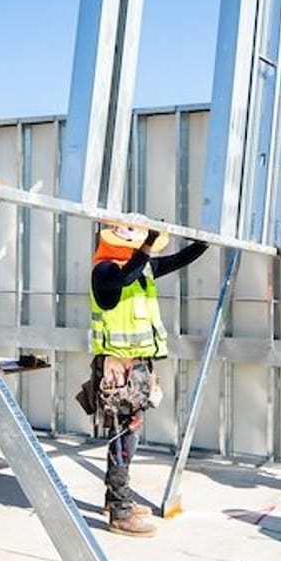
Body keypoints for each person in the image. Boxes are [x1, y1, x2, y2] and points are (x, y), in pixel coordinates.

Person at [84, 222, 209, 537]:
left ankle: (116, 500)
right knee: (122, 437)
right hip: (116, 371)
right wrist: (148, 246)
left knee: (129, 435)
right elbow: (126, 275)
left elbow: (174, 261)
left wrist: (203, 244)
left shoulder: (141, 269)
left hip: (136, 369)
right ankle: (120, 511)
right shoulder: (105, 271)